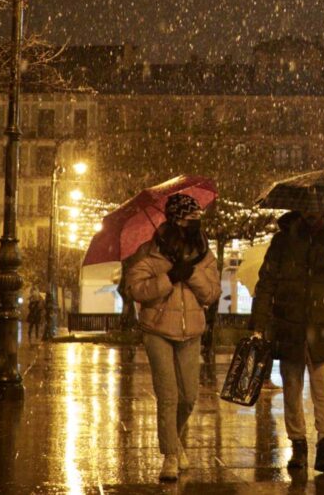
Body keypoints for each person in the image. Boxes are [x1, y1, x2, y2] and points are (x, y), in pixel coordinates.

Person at [250, 211, 324, 473]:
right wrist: (258, 325)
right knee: (292, 388)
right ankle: (298, 445)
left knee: (323, 389)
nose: (313, 215)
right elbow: (266, 283)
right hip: (289, 327)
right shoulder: (282, 242)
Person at [124, 194, 221, 482]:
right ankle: (169, 455)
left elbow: (212, 293)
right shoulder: (150, 252)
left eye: (197, 219)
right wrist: (169, 277)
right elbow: (135, 289)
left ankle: (174, 439)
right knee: (168, 396)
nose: (195, 224)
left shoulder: (205, 254)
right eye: (190, 219)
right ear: (176, 220)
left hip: (191, 331)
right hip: (157, 330)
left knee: (188, 397)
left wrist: (190, 274)